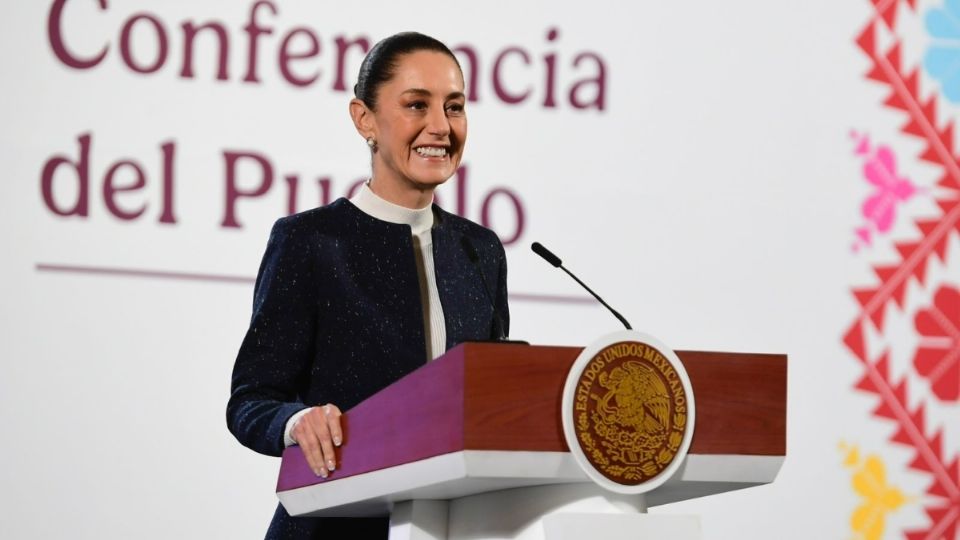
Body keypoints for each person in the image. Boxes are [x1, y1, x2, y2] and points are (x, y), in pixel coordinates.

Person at [227, 31, 510, 539]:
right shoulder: (309, 242)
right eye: (416, 105)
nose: (440, 127)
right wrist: (297, 421)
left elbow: (491, 401)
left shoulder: (481, 251)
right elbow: (250, 402)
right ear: (364, 119)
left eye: (455, 107)